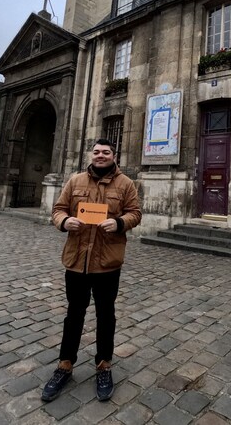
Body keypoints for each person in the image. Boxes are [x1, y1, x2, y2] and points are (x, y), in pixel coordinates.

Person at [41, 139, 142, 402]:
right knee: (74, 314)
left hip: (107, 262)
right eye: (96, 152)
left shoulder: (126, 184)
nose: (100, 156)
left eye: (105, 152)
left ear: (114, 155)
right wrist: (64, 221)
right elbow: (58, 210)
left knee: (106, 315)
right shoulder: (75, 181)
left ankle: (104, 365)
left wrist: (119, 223)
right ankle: (65, 364)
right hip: (77, 260)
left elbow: (135, 213)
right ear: (91, 155)